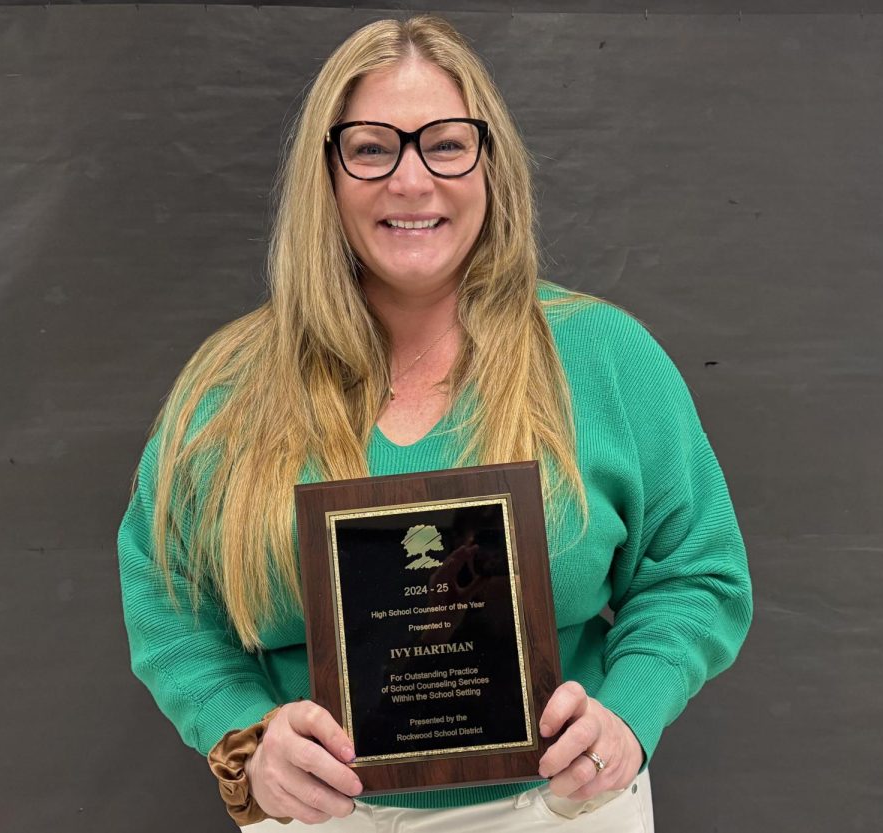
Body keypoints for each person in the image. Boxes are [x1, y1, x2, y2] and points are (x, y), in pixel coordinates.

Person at [117, 14, 752, 832]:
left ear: (490, 163)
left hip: (562, 810)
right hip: (320, 821)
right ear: (327, 173)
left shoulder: (604, 357)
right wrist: (246, 737)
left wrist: (628, 713)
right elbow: (168, 598)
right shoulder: (227, 390)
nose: (412, 181)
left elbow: (696, 570)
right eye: (372, 147)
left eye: (446, 144)